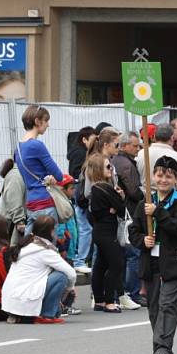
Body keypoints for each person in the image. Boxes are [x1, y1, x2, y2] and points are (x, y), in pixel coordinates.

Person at [128, 156, 177, 354]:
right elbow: (134, 231)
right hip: (151, 262)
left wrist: (158, 213)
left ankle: (164, 349)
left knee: (168, 305)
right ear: (153, 177)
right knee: (154, 307)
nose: (163, 179)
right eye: (159, 175)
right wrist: (142, 241)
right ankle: (160, 352)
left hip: (173, 261)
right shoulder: (144, 202)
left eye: (168, 176)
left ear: (175, 179)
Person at [1, 215, 77, 324]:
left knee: (58, 310)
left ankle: (20, 315)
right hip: (25, 297)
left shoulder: (26, 245)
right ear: (51, 232)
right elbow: (71, 273)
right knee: (61, 276)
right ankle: (47, 315)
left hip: (9, 301)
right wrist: (70, 289)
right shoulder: (44, 250)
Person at [14, 105, 64, 234]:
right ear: (37, 121)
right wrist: (50, 178)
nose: (48, 125)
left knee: (29, 245)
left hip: (31, 202)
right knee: (48, 246)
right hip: (45, 202)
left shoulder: (18, 148)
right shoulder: (37, 145)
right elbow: (58, 175)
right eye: (46, 120)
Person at [87, 153, 126, 313]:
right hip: (106, 233)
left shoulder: (95, 189)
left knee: (101, 265)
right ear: (98, 170)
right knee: (116, 264)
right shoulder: (104, 188)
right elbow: (121, 209)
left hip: (100, 231)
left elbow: (114, 209)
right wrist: (119, 200)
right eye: (108, 166)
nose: (111, 169)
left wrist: (115, 206)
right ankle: (109, 301)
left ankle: (100, 300)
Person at [110, 130, 144, 305]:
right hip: (129, 212)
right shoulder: (126, 164)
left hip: (121, 213)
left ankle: (120, 291)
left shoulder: (116, 160)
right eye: (135, 145)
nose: (138, 148)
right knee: (133, 253)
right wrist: (145, 196)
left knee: (123, 253)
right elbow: (134, 191)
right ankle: (131, 292)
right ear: (124, 145)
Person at [68, 127, 96, 273]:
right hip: (81, 197)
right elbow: (76, 174)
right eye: (92, 139)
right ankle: (79, 259)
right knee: (85, 228)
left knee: (82, 228)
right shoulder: (80, 154)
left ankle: (79, 258)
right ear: (84, 139)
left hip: (79, 196)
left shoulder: (76, 153)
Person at [0, 158, 26, 246]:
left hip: (13, 221)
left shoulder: (18, 174)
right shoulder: (16, 176)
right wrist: (20, 221)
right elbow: (13, 200)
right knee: (10, 252)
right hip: (12, 222)